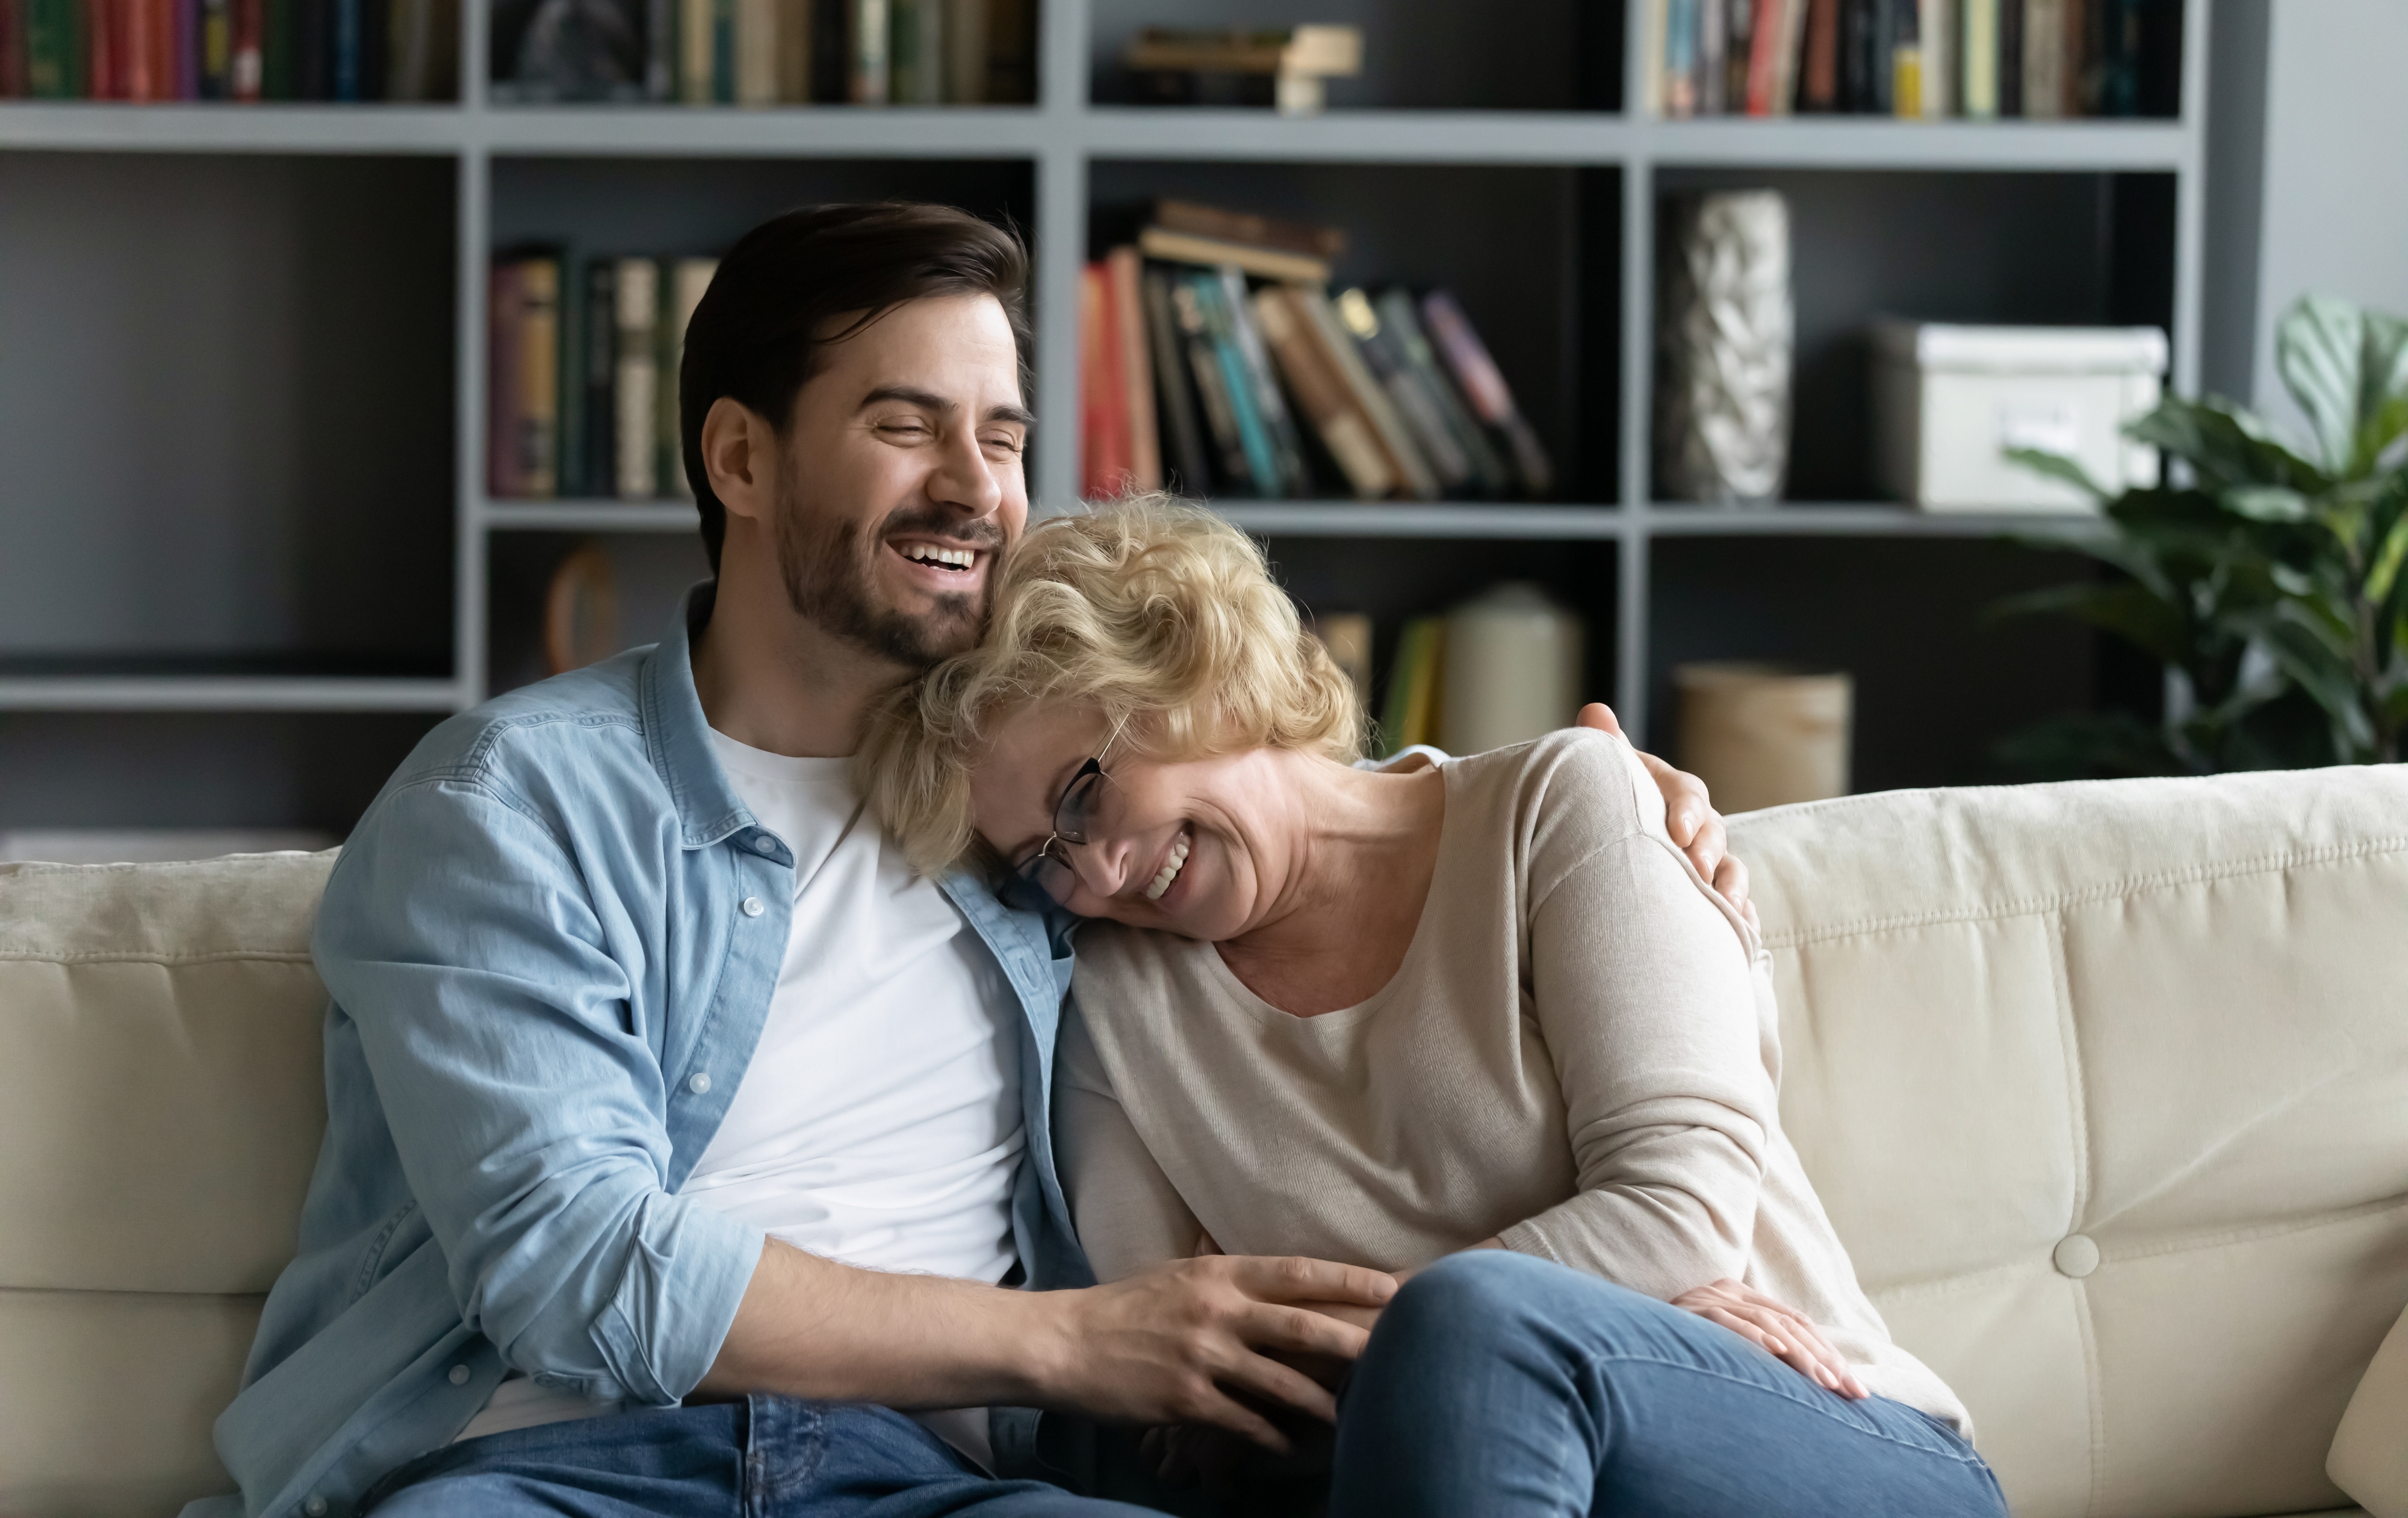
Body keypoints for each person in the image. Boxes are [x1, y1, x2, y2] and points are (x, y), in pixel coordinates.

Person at [188, 202, 1748, 1518]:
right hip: (558, 1464)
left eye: (1000, 436)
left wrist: (1598, 782)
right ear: (738, 456)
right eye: (903, 424)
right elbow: (576, 1263)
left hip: (926, 1483)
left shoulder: (1047, 823)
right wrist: (1071, 1342)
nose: (974, 486)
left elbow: (1285, 800)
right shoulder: (511, 804)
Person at [861, 495, 2011, 1518]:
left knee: (1476, 1327)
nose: (1096, 875)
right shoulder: (1116, 1008)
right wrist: (1577, 1312)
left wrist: (1499, 1343)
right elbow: (1195, 1403)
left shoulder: (1553, 809)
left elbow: (1681, 1208)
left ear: (1183, 662)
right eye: (1042, 862)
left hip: (1810, 1420)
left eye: (1083, 794)